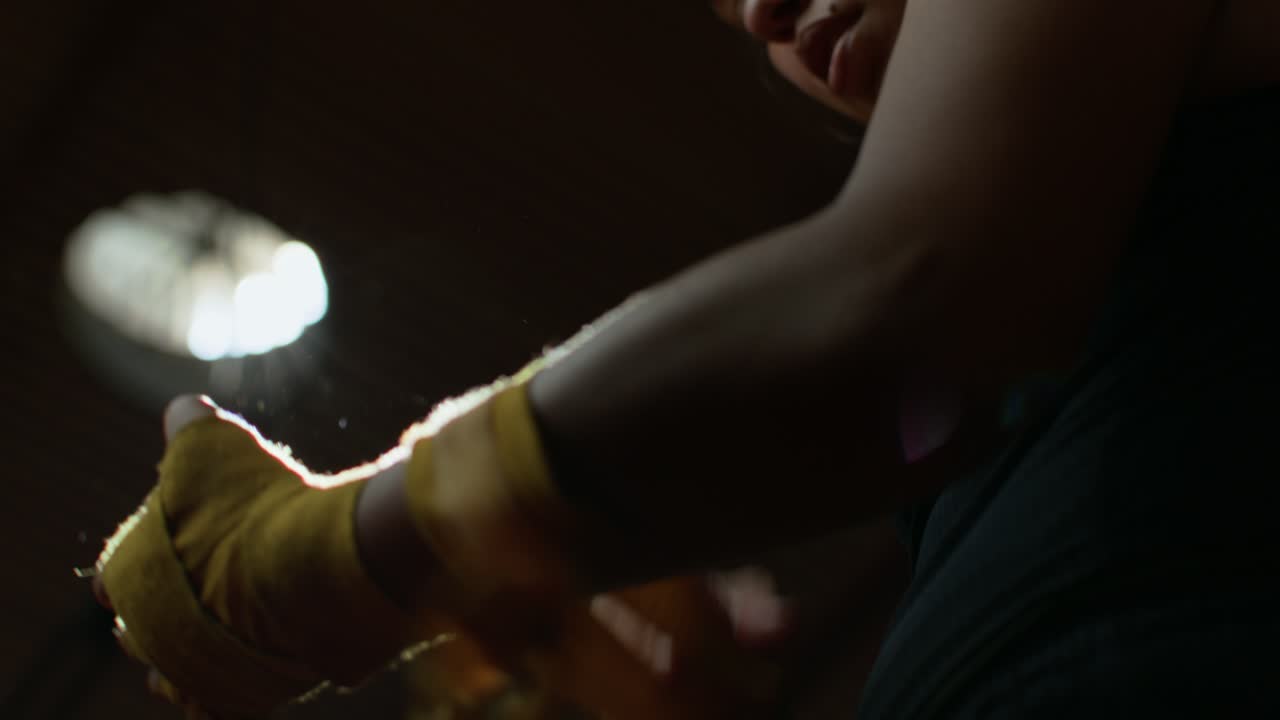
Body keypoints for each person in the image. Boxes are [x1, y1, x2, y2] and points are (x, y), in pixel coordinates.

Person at [92, 0, 1280, 717]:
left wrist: (337, 554)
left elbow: (909, 285)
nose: (762, 9)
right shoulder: (1073, 255)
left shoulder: (963, 262)